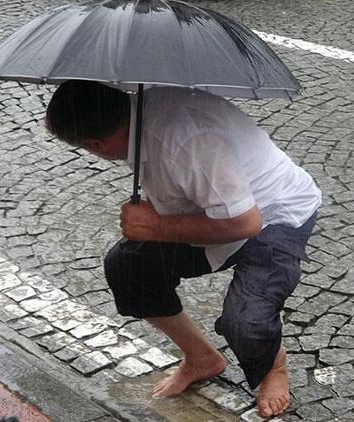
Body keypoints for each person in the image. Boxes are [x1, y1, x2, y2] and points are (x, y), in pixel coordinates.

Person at [45, 80, 321, 417]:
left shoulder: (185, 139)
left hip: (275, 215)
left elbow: (245, 223)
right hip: (221, 211)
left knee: (246, 321)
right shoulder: (141, 112)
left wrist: (157, 226)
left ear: (96, 144)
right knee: (128, 265)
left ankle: (273, 366)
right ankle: (202, 358)